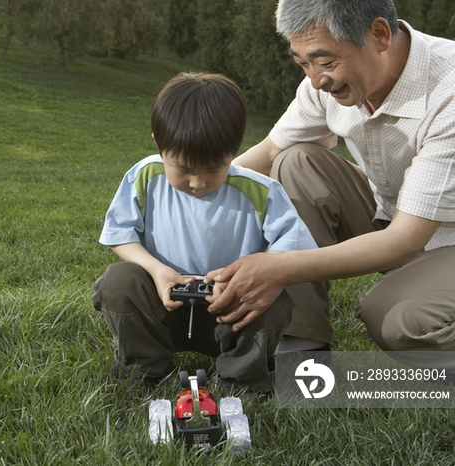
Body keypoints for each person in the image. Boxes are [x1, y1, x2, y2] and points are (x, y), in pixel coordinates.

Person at [206, 0, 455, 373]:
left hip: (454, 237)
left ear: (379, 35)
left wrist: (277, 268)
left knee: (396, 322)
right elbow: (268, 153)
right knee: (297, 162)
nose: (316, 80)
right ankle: (304, 344)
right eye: (303, 63)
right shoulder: (325, 84)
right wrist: (184, 190)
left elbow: (404, 241)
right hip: (393, 215)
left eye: (326, 63)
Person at [91, 73, 318, 391]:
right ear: (159, 142)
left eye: (214, 170)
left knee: (274, 294)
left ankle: (243, 378)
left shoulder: (262, 192)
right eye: (182, 169)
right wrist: (157, 271)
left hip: (231, 315)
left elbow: (294, 249)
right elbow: (119, 234)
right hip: (162, 306)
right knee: (119, 280)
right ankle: (142, 368)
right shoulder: (144, 177)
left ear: (234, 149)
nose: (197, 184)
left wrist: (242, 279)